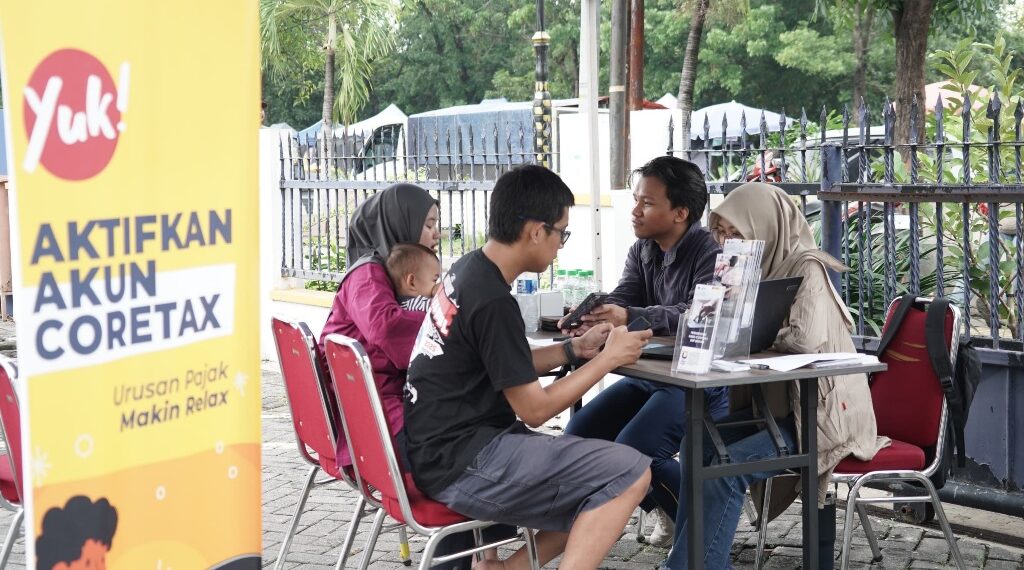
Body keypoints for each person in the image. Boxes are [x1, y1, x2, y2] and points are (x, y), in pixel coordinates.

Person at [404, 165, 654, 570]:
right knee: (630, 471)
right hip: (465, 462)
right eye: (561, 233)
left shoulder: (468, 269)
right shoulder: (492, 300)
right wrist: (609, 358)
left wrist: (575, 349)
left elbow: (507, 363)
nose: (560, 247)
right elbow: (535, 409)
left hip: (441, 450)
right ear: (537, 231)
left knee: (601, 478)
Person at [661, 182, 888, 570]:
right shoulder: (743, 268)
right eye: (721, 233)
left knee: (725, 469)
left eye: (737, 233)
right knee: (695, 443)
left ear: (766, 227)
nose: (727, 242)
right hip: (780, 409)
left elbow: (804, 339)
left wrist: (756, 334)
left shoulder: (806, 266)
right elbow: (723, 332)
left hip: (819, 416)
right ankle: (692, 562)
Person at [559, 156, 726, 545]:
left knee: (635, 449)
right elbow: (626, 295)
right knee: (579, 435)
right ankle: (667, 507)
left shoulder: (711, 253)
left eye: (647, 203)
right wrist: (594, 314)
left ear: (680, 212)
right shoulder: (643, 249)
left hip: (698, 382)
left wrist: (630, 315)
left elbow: (700, 315)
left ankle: (704, 536)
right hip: (651, 375)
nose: (635, 211)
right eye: (636, 200)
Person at [318, 183, 440, 468]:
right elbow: (387, 327)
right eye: (428, 224)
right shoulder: (367, 274)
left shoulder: (384, 271)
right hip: (375, 415)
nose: (437, 233)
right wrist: (450, 324)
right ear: (400, 223)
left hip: (374, 402)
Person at [385, 242, 441, 312]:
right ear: (412, 282)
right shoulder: (415, 304)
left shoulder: (400, 305)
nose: (436, 284)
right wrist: (441, 292)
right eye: (435, 280)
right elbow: (445, 307)